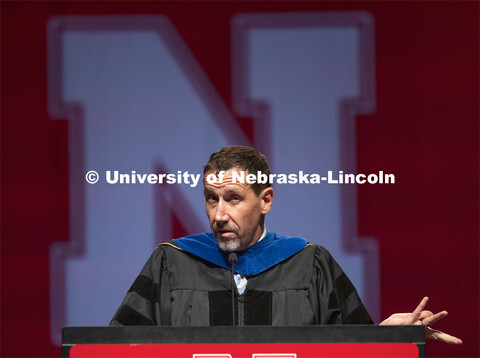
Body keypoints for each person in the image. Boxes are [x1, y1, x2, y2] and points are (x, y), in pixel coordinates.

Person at [110, 145, 462, 344]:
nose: (218, 214)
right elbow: (117, 348)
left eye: (233, 199)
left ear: (266, 200)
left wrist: (384, 338)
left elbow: (350, 348)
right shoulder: (172, 262)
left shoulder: (310, 264)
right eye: (211, 199)